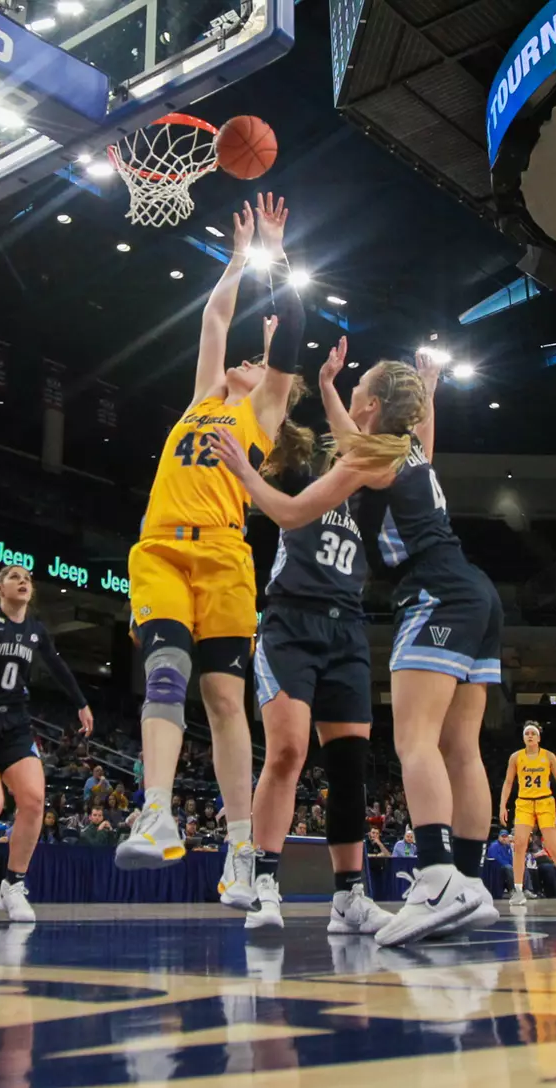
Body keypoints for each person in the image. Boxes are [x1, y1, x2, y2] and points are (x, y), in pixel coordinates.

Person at [215, 350, 503, 946]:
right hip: (478, 592)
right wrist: (350, 387)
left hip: (434, 593)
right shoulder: (404, 448)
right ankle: (471, 885)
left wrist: (245, 472)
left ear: (371, 405)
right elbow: (382, 433)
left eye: (357, 392)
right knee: (461, 747)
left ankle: (436, 877)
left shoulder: (375, 455)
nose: (349, 401)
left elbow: (293, 510)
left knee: (416, 740)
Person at [117, 193, 305, 920]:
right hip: (160, 549)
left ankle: (238, 849)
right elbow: (215, 320)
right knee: (165, 672)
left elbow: (287, 336)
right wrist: (236, 259)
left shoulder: (261, 412)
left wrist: (278, 256)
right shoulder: (204, 397)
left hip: (226, 556)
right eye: (245, 361)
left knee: (227, 700)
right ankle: (157, 812)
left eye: (259, 364)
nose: (247, 363)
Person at [234, 337, 386, 934]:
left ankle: (349, 896)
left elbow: (383, 446)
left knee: (350, 764)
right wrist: (311, 376)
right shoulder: (301, 471)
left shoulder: (371, 494)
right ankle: (263, 881)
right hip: (290, 620)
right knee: (290, 750)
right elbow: (282, 414)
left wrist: (428, 393)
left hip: (347, 626)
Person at [0, 564, 94, 923]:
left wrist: (80, 703)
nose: (23, 582)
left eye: (27, 579)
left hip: (15, 723)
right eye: (15, 577)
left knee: (34, 801)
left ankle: (12, 886)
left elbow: (58, 666)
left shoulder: (35, 630)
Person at [499, 721, 556, 905]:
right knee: (519, 844)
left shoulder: (549, 756)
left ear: (539, 737)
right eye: (526, 733)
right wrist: (503, 805)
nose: (530, 736)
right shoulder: (516, 757)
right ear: (523, 737)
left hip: (545, 802)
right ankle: (518, 890)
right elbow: (508, 782)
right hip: (524, 803)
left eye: (533, 733)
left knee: (552, 846)